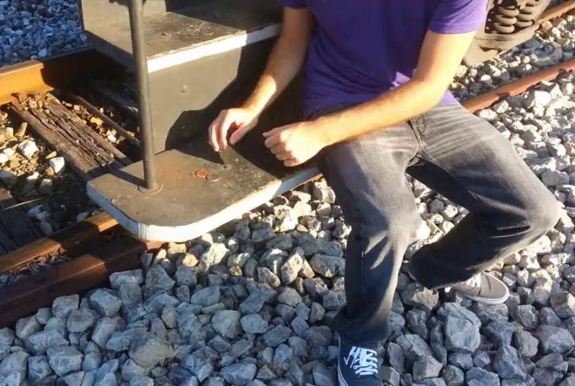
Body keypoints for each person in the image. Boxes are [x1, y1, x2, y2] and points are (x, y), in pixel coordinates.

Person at [208, 1, 561, 385]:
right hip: (339, 100)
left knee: (535, 211)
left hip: (428, 105)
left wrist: (320, 135)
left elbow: (428, 86)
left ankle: (434, 269)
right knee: (390, 221)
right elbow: (294, 40)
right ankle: (360, 335)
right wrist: (253, 106)